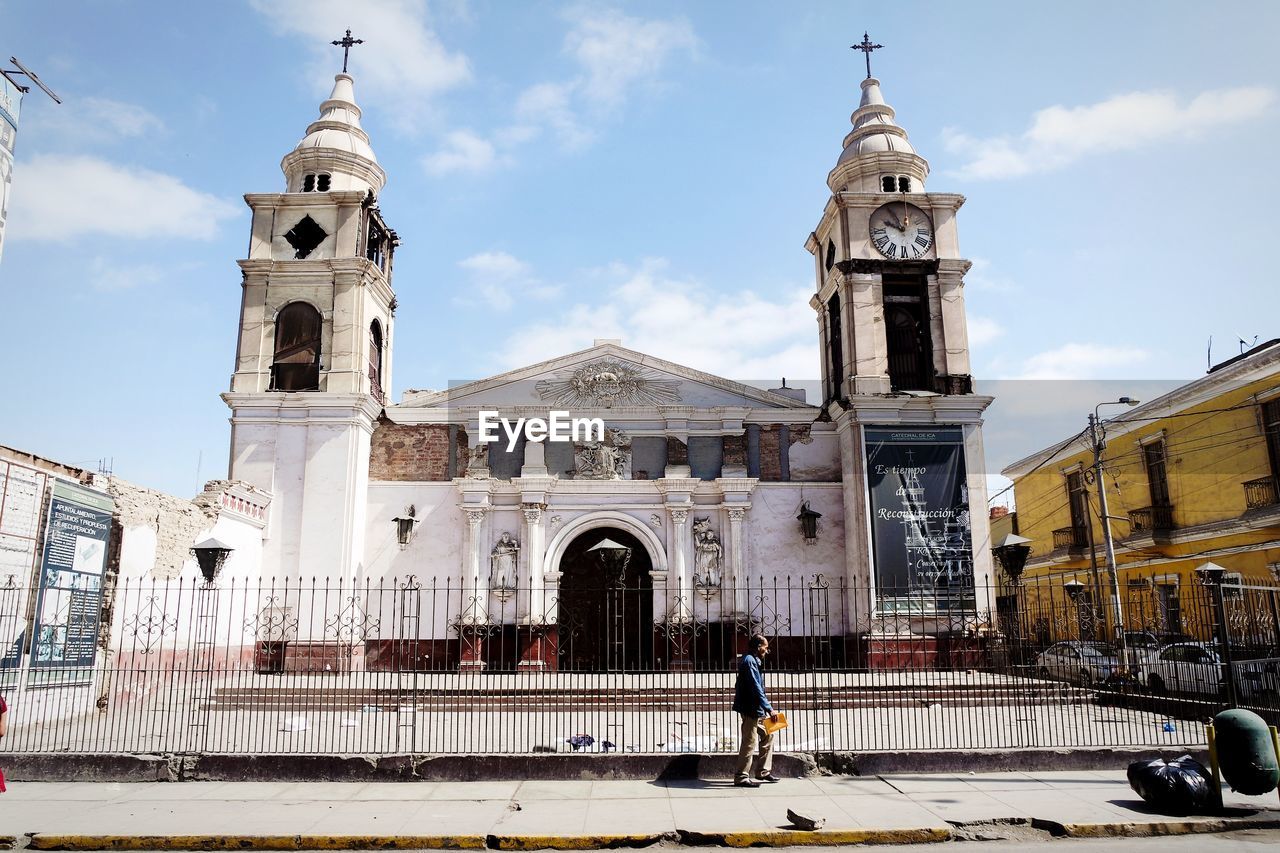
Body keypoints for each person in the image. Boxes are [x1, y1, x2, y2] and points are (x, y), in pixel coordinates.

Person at [732, 633, 779, 787]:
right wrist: (769, 708)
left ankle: (763, 771)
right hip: (750, 709)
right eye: (766, 648)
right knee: (749, 742)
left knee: (768, 734)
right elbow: (755, 687)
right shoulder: (749, 661)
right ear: (759, 647)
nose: (767, 651)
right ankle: (741, 776)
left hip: (756, 708)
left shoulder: (754, 660)